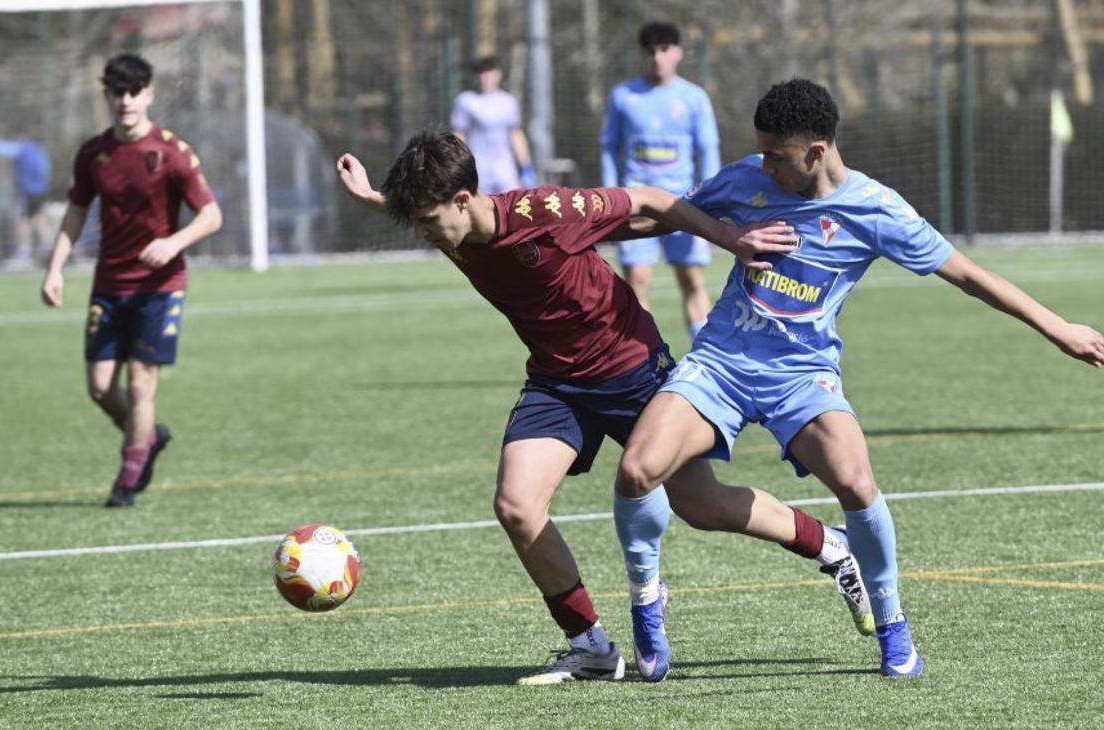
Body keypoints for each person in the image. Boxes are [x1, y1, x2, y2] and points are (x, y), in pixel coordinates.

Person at [336, 128, 875, 685]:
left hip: (632, 369)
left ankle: (830, 546)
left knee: (701, 505)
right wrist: (374, 197)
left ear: (464, 201)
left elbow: (648, 200)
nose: (424, 235)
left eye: (427, 220)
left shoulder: (543, 210)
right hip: (556, 382)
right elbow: (424, 211)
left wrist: (731, 238)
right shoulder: (450, 222)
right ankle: (590, 645)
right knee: (517, 506)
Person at [612, 78, 1104, 680]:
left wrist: (1057, 327)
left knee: (856, 480)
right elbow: (669, 215)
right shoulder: (747, 179)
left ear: (817, 151)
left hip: (803, 374)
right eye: (761, 152)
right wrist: (579, 232)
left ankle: (893, 625)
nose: (763, 165)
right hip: (720, 362)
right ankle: (645, 604)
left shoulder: (876, 209)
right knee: (639, 470)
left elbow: (970, 275)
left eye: (777, 155)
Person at [39, 53, 222, 507]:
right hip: (110, 285)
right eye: (117, 92)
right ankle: (148, 436)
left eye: (134, 91)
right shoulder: (93, 155)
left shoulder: (172, 153)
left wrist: (173, 242)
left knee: (141, 385)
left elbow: (212, 215)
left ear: (149, 94)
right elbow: (77, 211)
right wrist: (55, 268)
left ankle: (129, 474)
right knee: (101, 388)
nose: (126, 101)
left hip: (160, 287)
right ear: (107, 96)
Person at [600, 21, 720, 341]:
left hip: (685, 203)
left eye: (664, 50)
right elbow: (609, 148)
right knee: (637, 282)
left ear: (678, 53)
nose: (657, 57)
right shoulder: (623, 96)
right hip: (637, 204)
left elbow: (708, 150)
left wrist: (713, 198)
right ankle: (650, 359)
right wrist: (612, 197)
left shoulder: (694, 98)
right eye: (651, 51)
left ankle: (704, 360)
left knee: (692, 279)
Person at [450, 56, 536, 194]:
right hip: (478, 168)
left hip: (505, 169)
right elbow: (459, 135)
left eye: (489, 71)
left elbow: (515, 135)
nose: (485, 76)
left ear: (498, 74)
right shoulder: (465, 101)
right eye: (481, 72)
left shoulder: (508, 101)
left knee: (512, 206)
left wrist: (526, 167)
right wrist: (460, 165)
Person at [0, 130, 52, 265]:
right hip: (41, 191)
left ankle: (24, 252)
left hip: (28, 191)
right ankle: (46, 247)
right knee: (38, 218)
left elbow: (2, 148)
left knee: (22, 220)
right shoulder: (38, 149)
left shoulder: (22, 149)